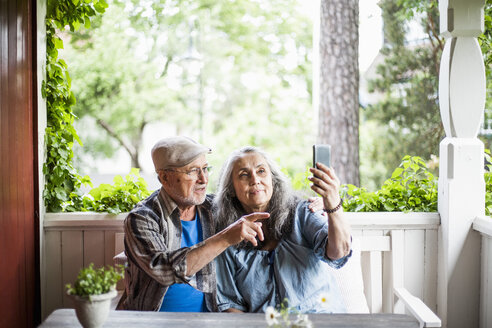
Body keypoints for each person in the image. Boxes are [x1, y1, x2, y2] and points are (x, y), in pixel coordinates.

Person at [117, 136, 323, 312]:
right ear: (164, 177)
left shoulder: (214, 208)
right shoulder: (142, 218)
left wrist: (317, 204)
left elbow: (258, 198)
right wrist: (226, 237)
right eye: (192, 171)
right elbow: (164, 270)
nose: (203, 179)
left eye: (206, 169)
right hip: (154, 320)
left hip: (213, 318)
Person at [214, 146, 352, 313]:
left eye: (261, 171)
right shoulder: (228, 235)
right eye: (244, 174)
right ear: (231, 189)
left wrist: (332, 202)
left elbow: (339, 252)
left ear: (273, 179)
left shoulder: (302, 212)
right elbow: (230, 305)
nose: (255, 179)